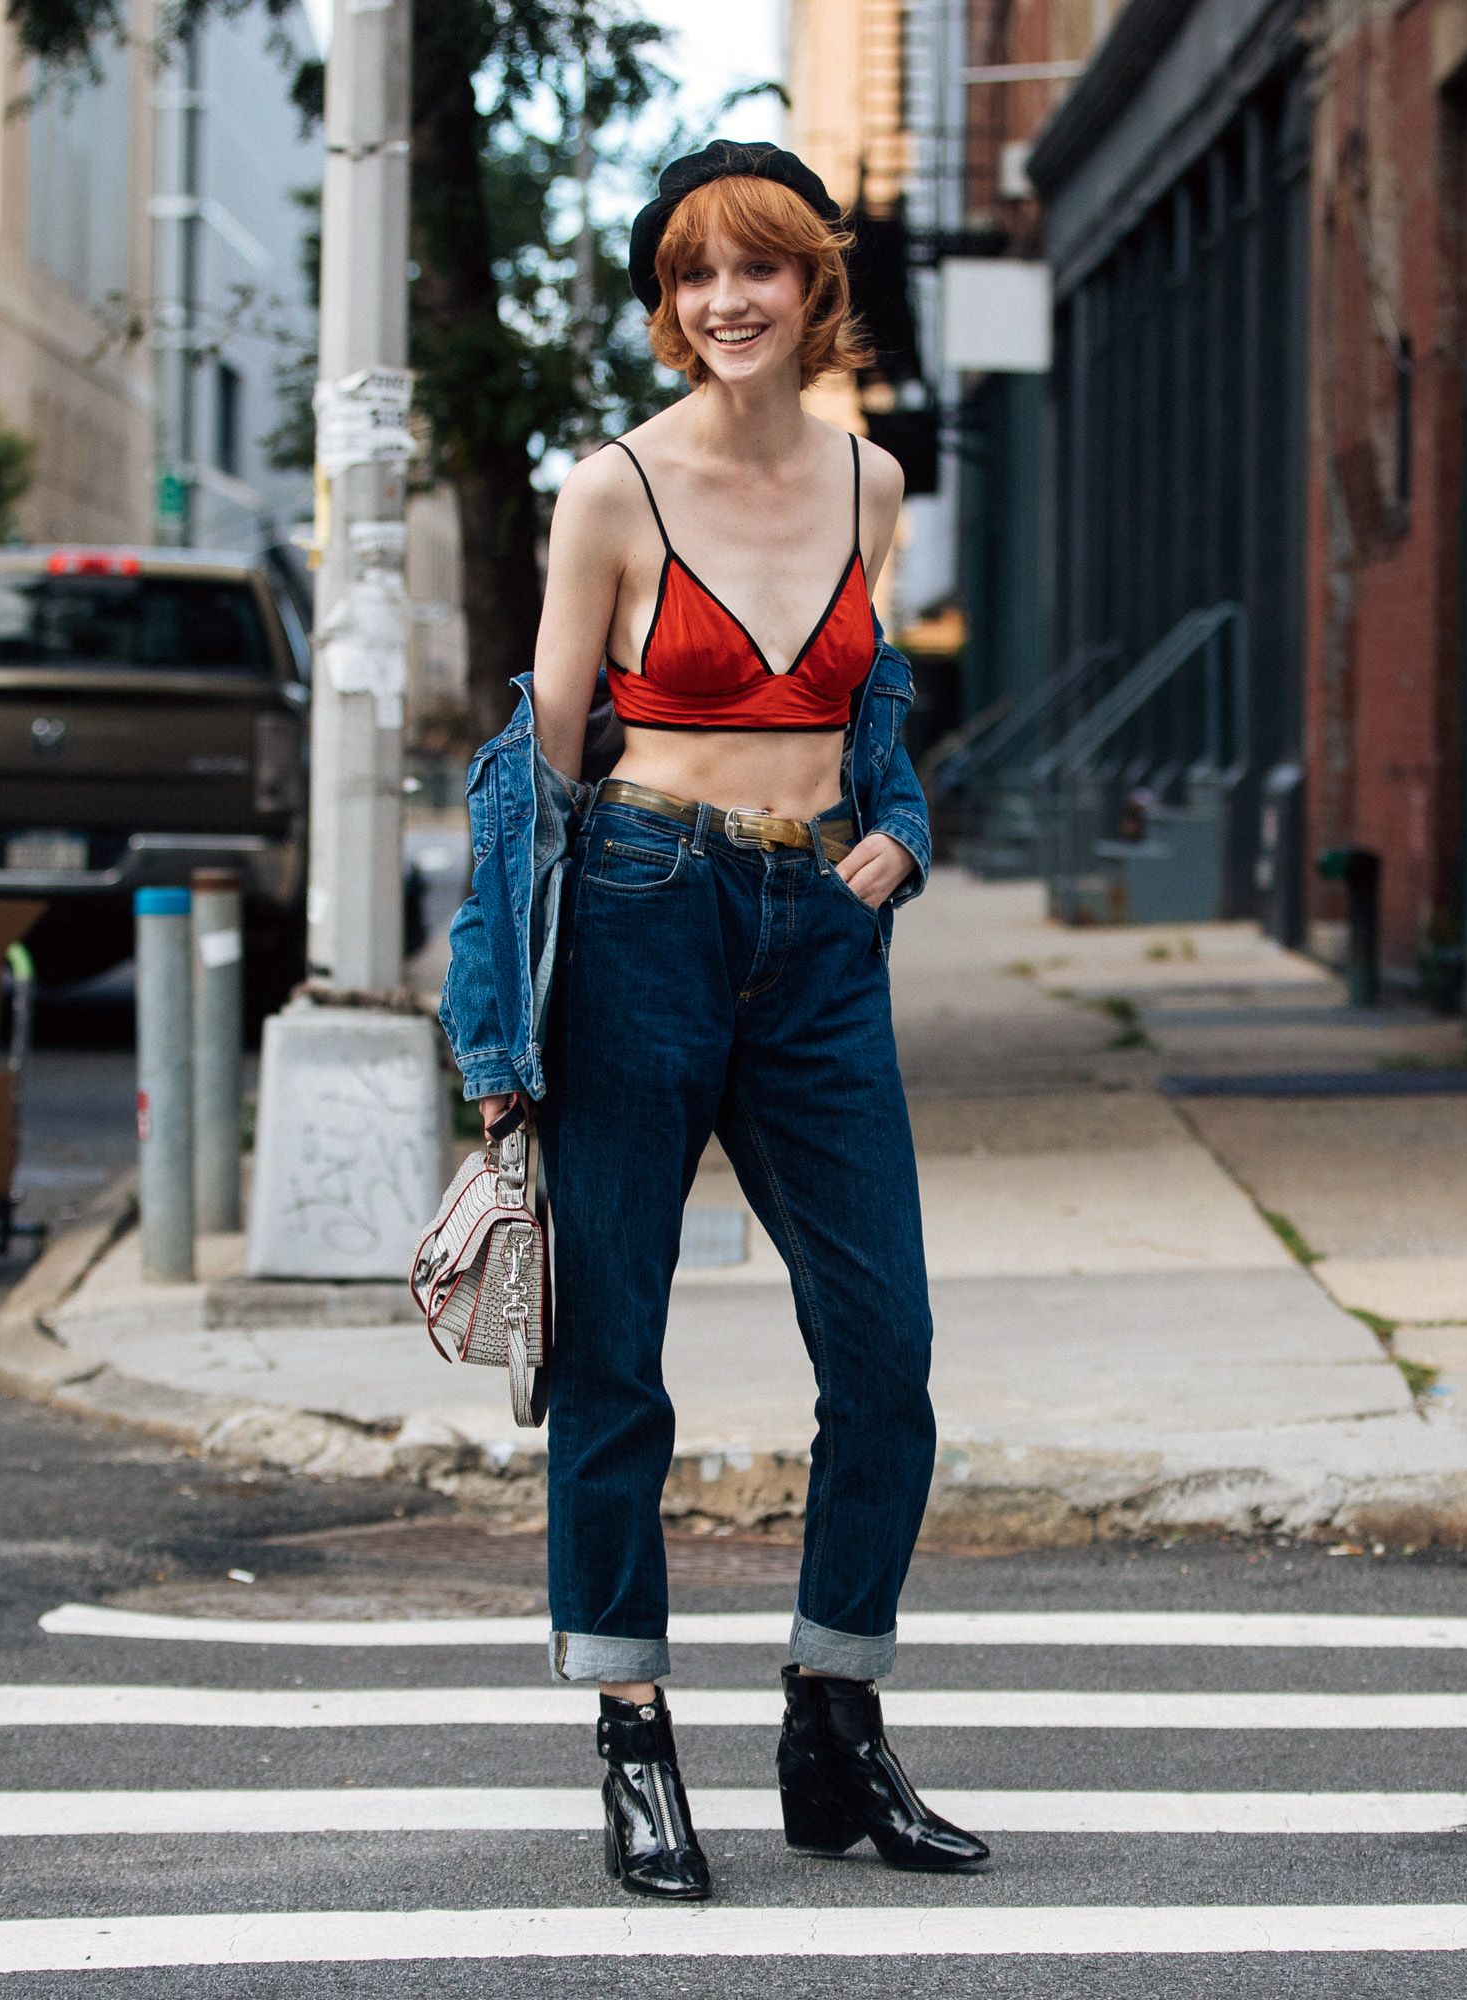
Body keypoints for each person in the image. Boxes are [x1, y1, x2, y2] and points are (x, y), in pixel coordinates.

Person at [438, 141, 985, 1903]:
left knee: (885, 1353)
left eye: (755, 268)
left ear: (815, 284)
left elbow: (876, 695)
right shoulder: (609, 492)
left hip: (818, 937)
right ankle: (634, 1740)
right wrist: (503, 1049)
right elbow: (535, 772)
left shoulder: (872, 485)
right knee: (614, 1362)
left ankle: (835, 1724)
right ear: (667, 303)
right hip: (640, 916)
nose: (723, 302)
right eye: (690, 275)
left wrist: (901, 827)